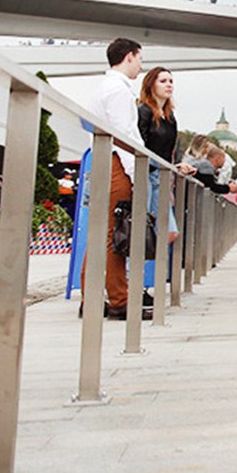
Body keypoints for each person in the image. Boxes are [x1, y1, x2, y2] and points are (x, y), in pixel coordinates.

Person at [81, 37, 149, 320]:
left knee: (101, 232)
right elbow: (125, 136)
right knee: (116, 233)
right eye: (140, 59)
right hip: (116, 164)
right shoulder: (119, 91)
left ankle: (91, 297)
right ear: (129, 56)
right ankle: (120, 300)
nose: (141, 66)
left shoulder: (104, 87)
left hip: (102, 160)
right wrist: (136, 174)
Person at [137, 67, 197, 245]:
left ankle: (145, 268)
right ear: (151, 85)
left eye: (171, 81)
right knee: (140, 227)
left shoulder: (170, 117)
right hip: (146, 173)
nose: (169, 85)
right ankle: (132, 269)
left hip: (160, 176)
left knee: (170, 232)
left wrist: (179, 165)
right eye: (163, 81)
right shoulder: (144, 111)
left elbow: (171, 149)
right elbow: (139, 143)